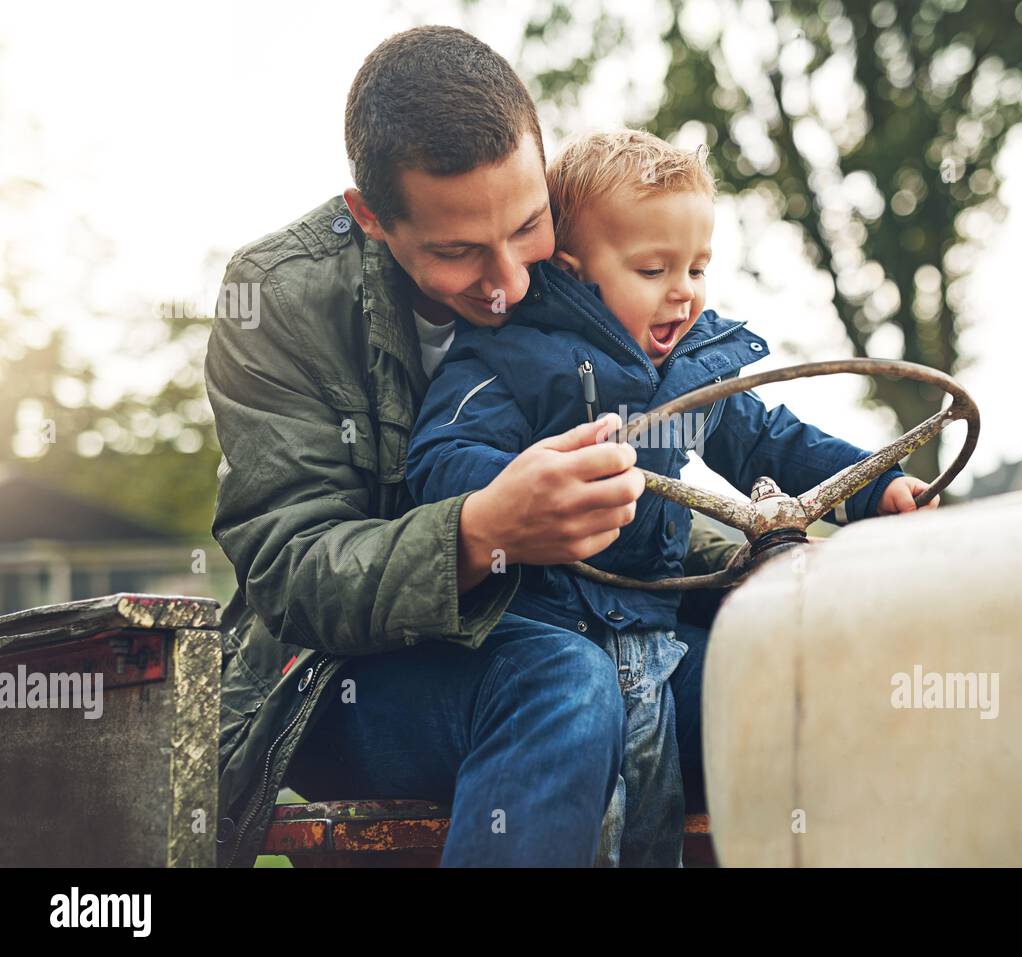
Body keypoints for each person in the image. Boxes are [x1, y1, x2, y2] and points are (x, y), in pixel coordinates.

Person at [206, 26, 746, 868]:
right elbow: (290, 573)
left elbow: (642, 479)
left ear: (542, 165)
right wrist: (479, 531)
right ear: (371, 219)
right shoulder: (277, 299)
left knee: (774, 677)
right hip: (348, 675)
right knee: (564, 682)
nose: (512, 282)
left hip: (589, 623)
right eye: (457, 252)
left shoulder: (586, 250)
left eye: (528, 227)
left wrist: (764, 557)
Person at [404, 129, 938, 867]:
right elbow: (439, 459)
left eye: (697, 266)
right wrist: (512, 489)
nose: (683, 289)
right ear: (574, 269)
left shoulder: (692, 372)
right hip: (537, 626)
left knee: (774, 689)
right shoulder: (513, 358)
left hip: (655, 639)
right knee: (566, 700)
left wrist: (877, 483)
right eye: (653, 268)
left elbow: (770, 440)